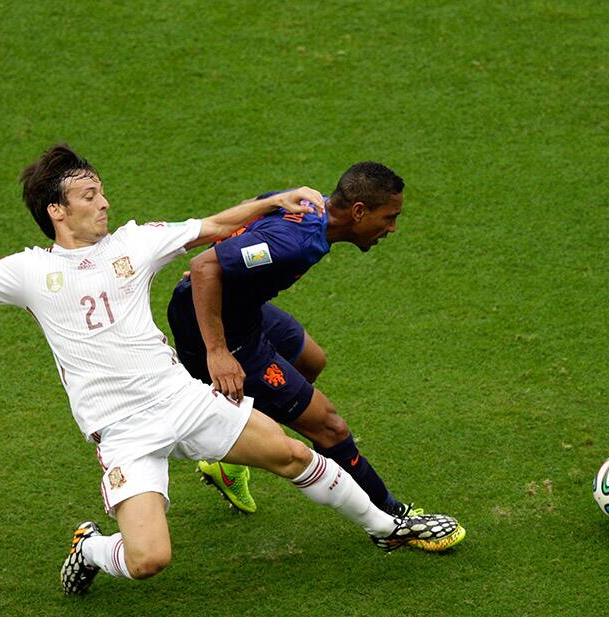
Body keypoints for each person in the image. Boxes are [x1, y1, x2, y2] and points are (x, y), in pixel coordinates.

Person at [0, 145, 463, 597]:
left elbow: (211, 228)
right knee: (148, 559)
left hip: (181, 399)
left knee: (291, 454)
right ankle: (90, 548)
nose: (102, 200)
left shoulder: (133, 242)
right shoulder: (30, 271)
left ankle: (389, 526)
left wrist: (271, 203)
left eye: (100, 190)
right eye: (88, 195)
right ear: (56, 212)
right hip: (122, 432)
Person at [166, 163, 448, 544]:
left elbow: (256, 206)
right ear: (360, 211)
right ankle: (393, 520)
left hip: (245, 309)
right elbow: (203, 269)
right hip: (217, 326)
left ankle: (227, 456)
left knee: (310, 360)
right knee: (329, 425)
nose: (392, 228)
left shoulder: (306, 203)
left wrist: (224, 254)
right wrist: (217, 351)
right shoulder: (294, 242)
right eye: (389, 217)